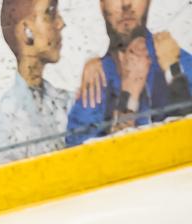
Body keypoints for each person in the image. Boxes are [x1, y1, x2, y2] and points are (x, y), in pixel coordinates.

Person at [66, 0, 192, 146]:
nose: (125, 4)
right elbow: (78, 156)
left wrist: (173, 71)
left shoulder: (176, 60)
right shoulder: (96, 80)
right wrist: (129, 92)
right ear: (102, 5)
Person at [0, 0, 72, 168]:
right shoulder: (12, 113)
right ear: (27, 32)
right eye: (50, 13)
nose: (60, 23)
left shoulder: (64, 99)